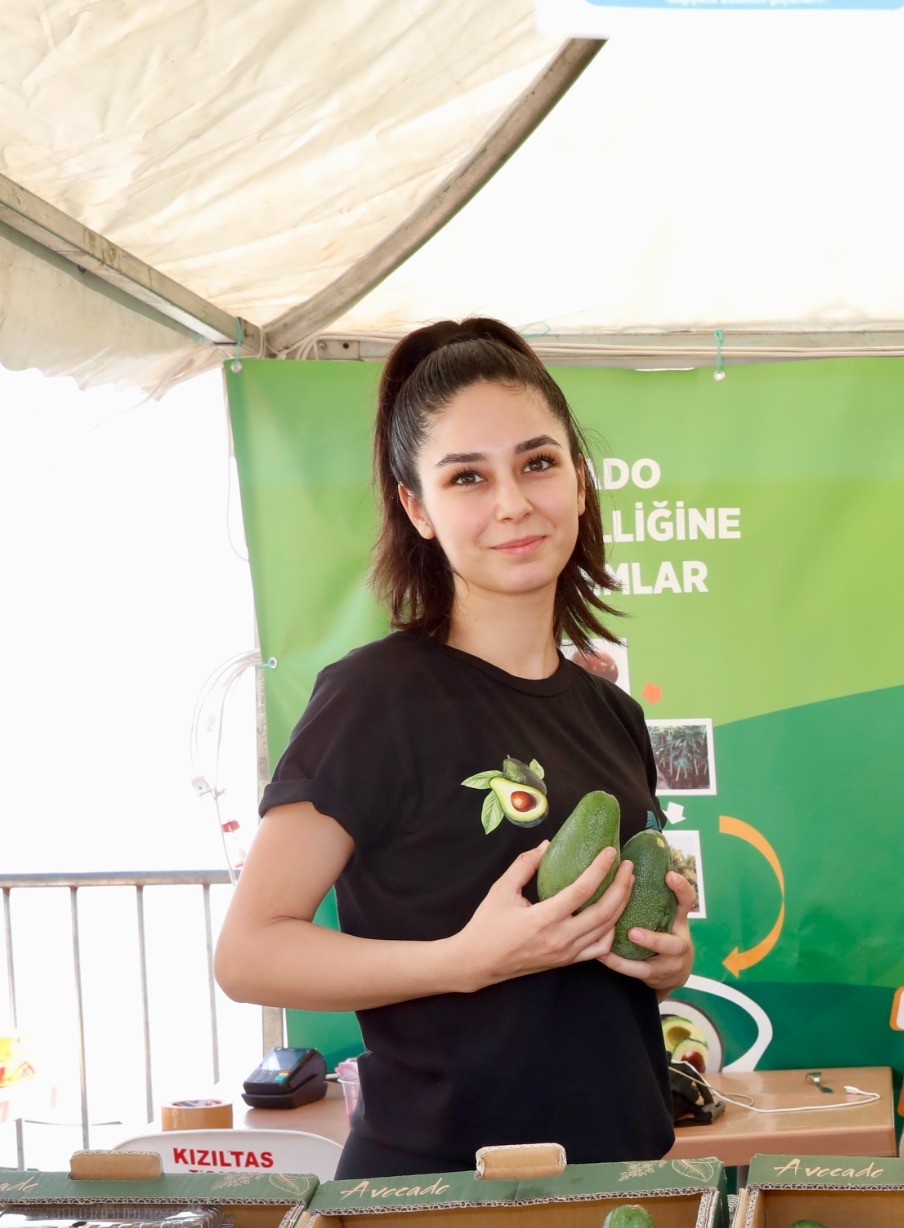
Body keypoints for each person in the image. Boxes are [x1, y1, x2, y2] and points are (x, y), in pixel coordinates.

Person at [215, 319, 695, 1178]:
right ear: (417, 509)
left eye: (538, 463)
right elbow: (249, 952)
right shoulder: (377, 698)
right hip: (443, 1198)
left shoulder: (611, 714)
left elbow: (591, 970)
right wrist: (465, 962)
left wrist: (657, 962)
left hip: (626, 1173)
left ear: (580, 485)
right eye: (468, 476)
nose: (513, 502)